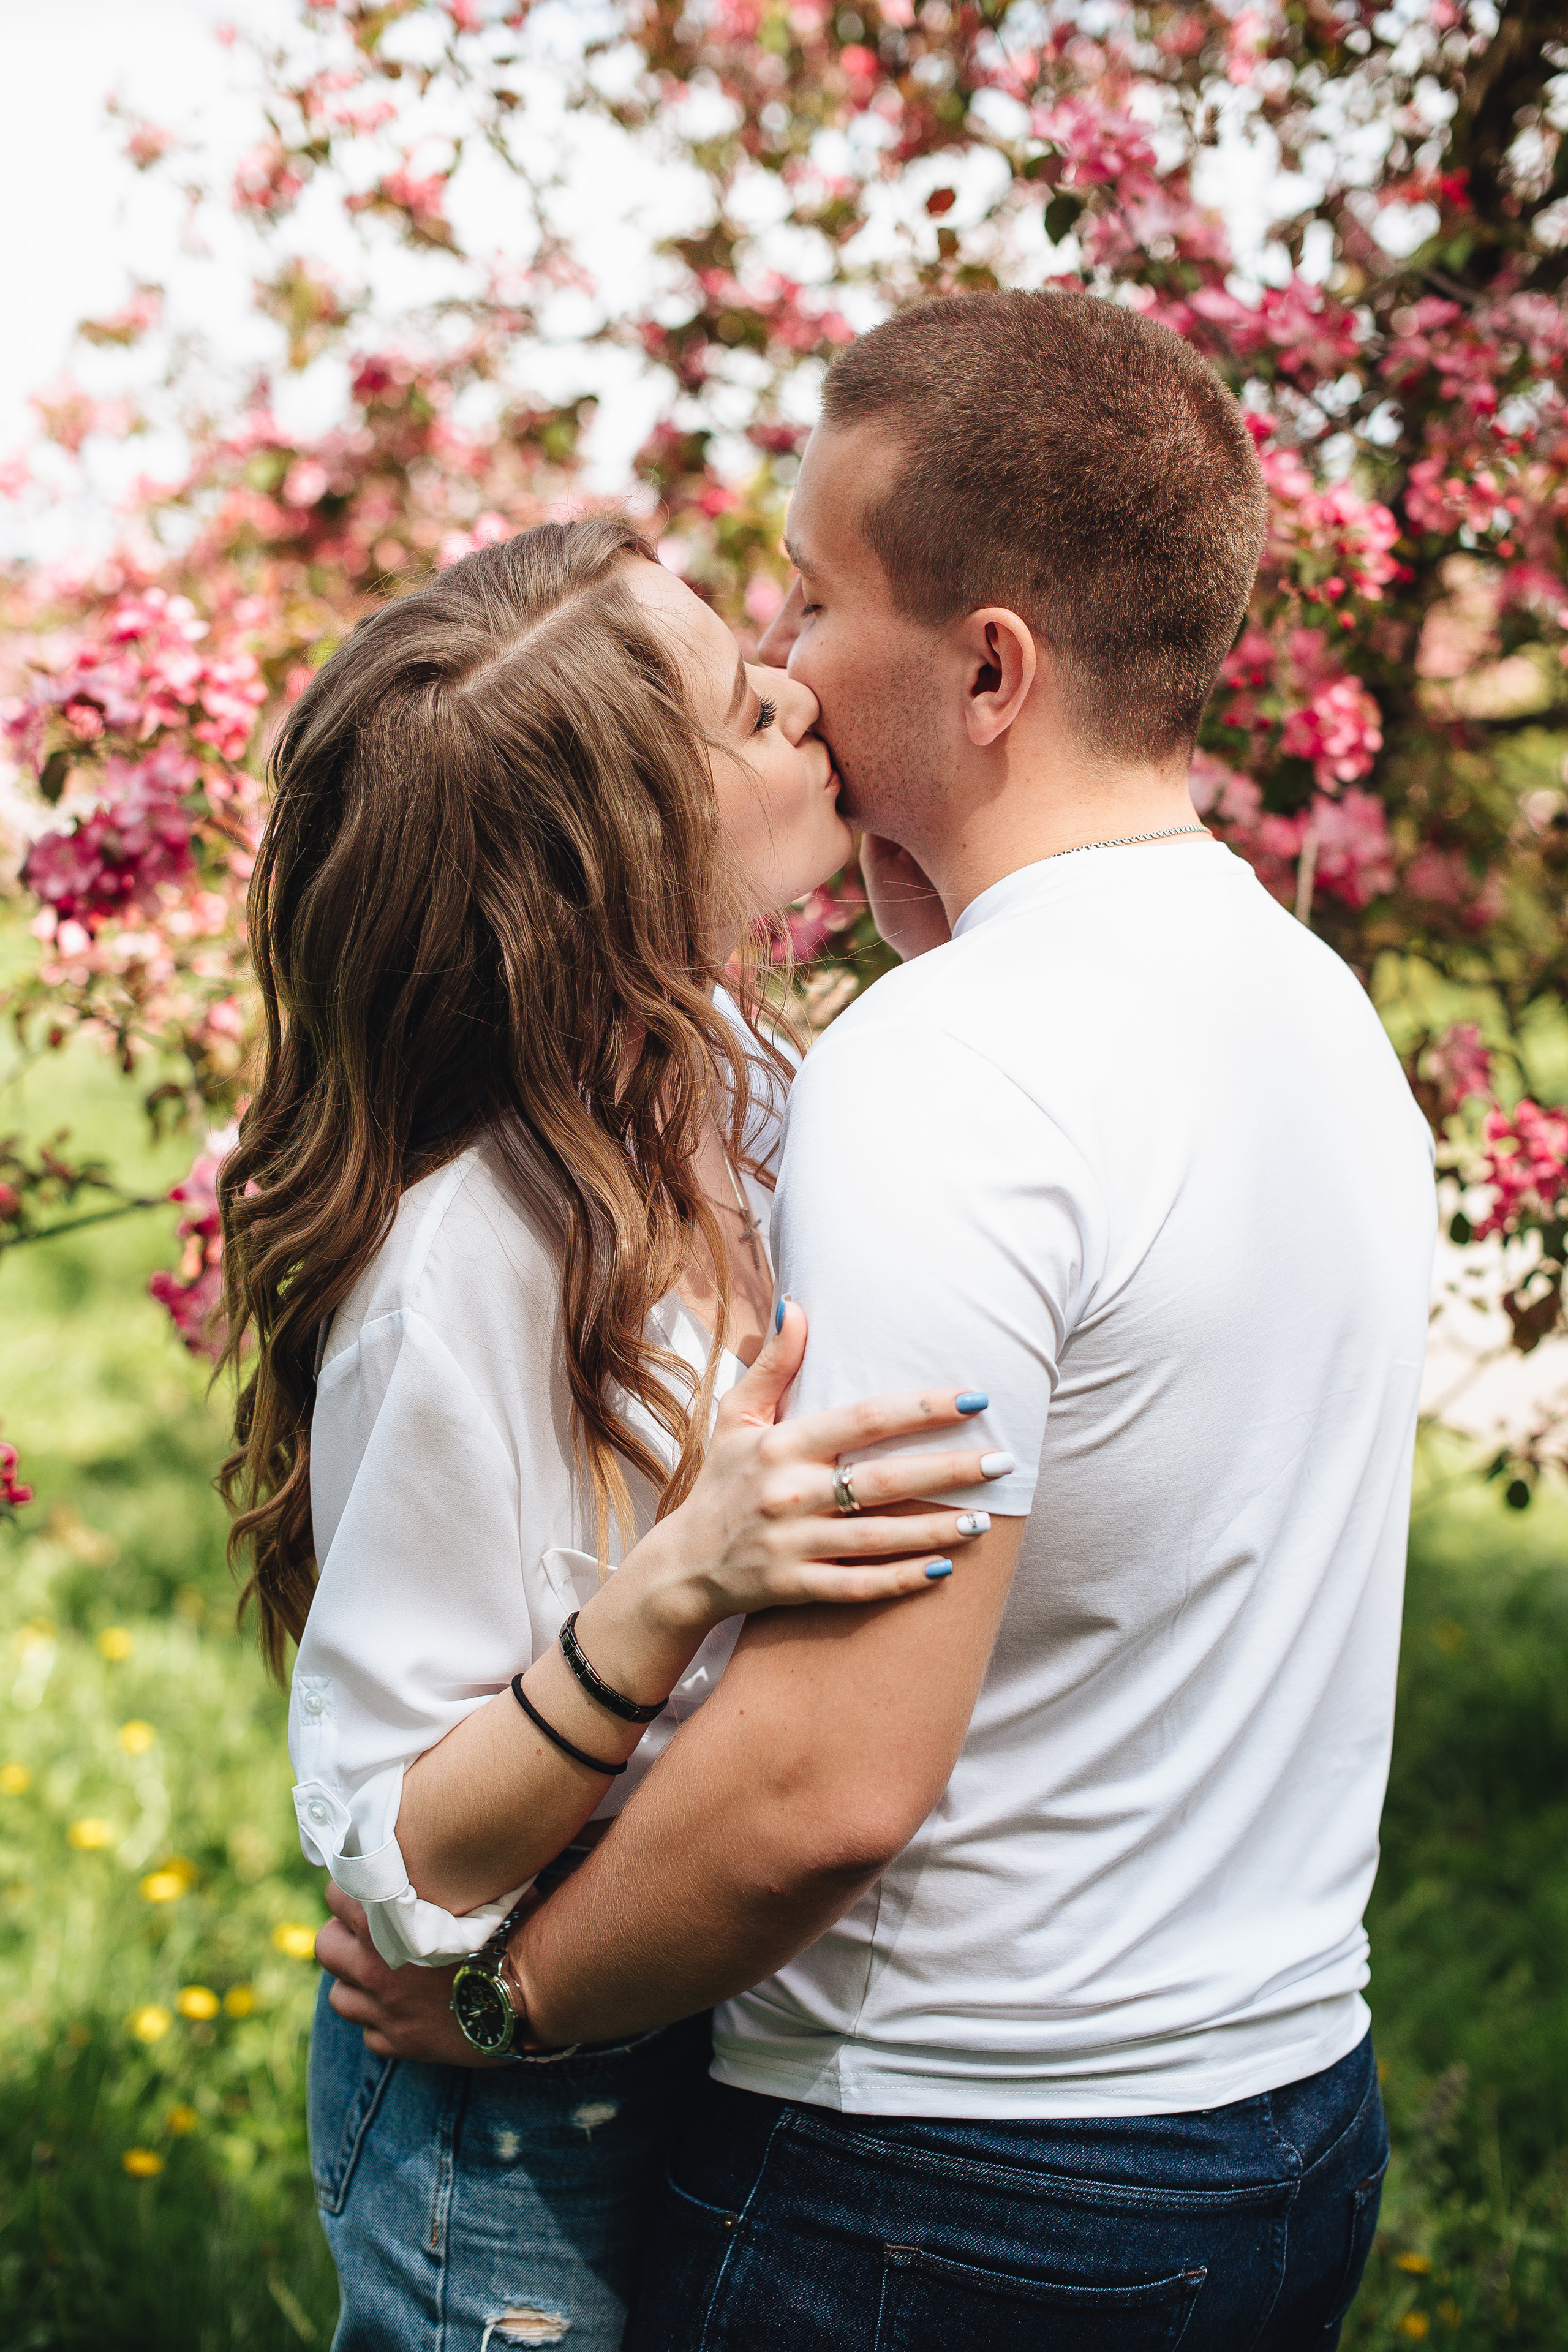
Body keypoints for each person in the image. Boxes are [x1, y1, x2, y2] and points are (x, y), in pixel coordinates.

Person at [328, 289, 1438, 2348]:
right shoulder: (1309, 1007)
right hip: (1281, 2118)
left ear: (990, 668)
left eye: (816, 600)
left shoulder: (946, 1069)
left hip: (954, 2170)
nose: (794, 664)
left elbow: (827, 1785)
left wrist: (508, 1999)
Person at [216, 516, 1011, 2351]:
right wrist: (672, 1590)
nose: (805, 700)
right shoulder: (467, 1263)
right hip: (506, 2132)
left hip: (694, 2022)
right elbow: (401, 1844)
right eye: (748, 709)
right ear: (626, 862)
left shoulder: (752, 1086)